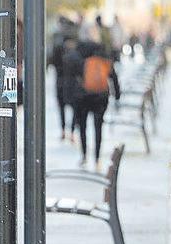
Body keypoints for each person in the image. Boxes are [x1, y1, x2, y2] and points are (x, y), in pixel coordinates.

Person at [72, 40, 121, 169]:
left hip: (84, 98)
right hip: (101, 97)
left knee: (82, 127)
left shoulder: (83, 61)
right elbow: (114, 80)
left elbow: (77, 80)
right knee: (98, 127)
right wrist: (117, 96)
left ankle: (84, 156)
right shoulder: (106, 61)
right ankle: (97, 159)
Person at [50, 33, 82, 141]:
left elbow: (52, 63)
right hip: (72, 85)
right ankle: (70, 131)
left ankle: (65, 131)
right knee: (74, 109)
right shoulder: (76, 54)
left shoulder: (59, 51)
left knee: (64, 108)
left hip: (61, 83)